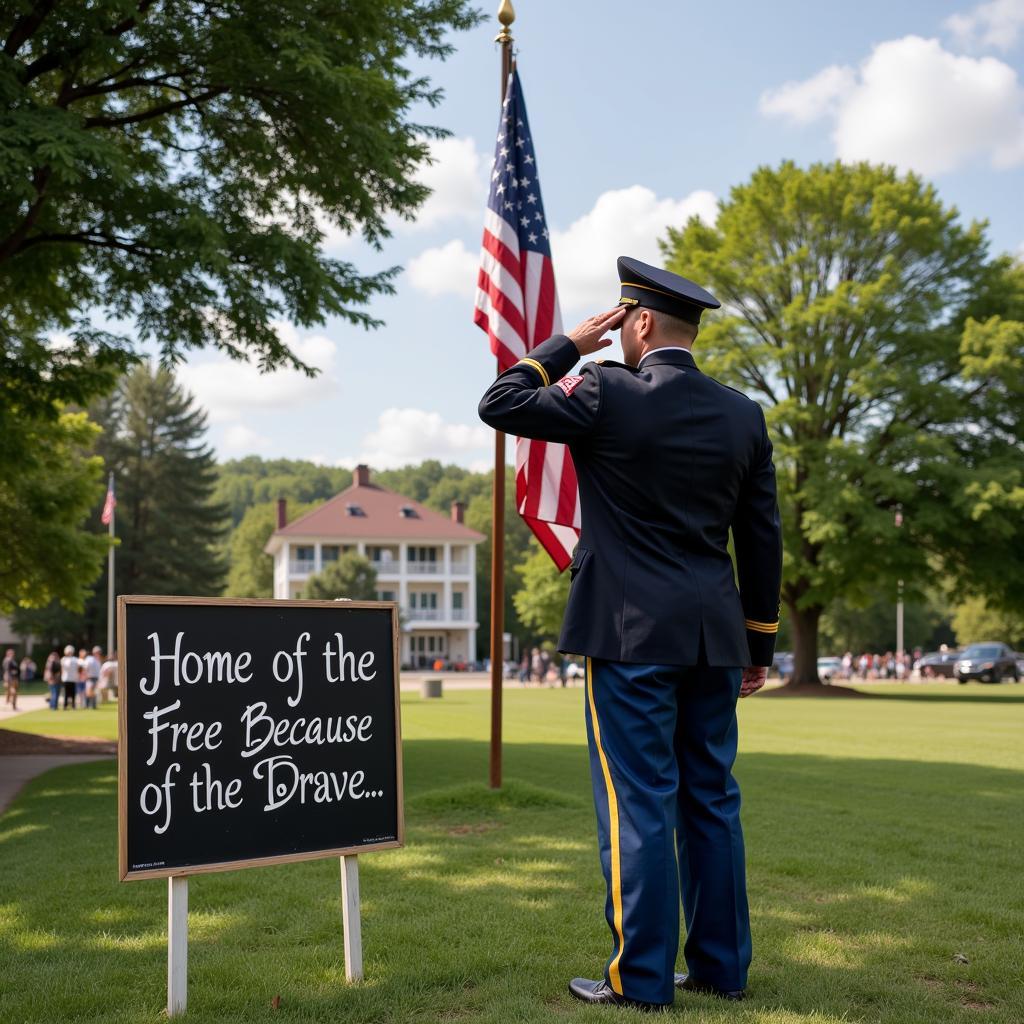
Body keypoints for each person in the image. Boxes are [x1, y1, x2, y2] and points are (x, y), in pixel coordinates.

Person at [479, 256, 783, 1011]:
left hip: (629, 635)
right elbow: (763, 538)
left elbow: (500, 401)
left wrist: (568, 347)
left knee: (640, 802)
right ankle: (721, 969)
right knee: (711, 799)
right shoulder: (743, 413)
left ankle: (640, 980)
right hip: (715, 638)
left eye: (621, 323)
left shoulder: (605, 391)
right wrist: (760, 643)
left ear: (637, 321)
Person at [60, 645, 79, 709]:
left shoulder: (75, 659)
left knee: (73, 693)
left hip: (73, 679)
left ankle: (73, 705)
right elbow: (62, 669)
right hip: (66, 679)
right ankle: (65, 705)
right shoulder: (63, 659)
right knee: (66, 693)